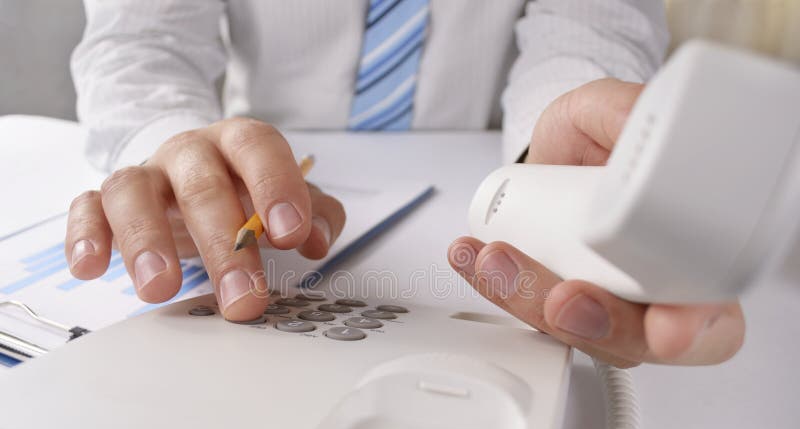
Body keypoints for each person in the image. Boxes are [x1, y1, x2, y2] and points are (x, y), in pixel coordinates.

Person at [65, 0, 745, 367]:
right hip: (262, 168)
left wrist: (565, 157)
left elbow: (591, 25)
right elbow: (139, 44)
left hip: (478, 172)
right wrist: (171, 146)